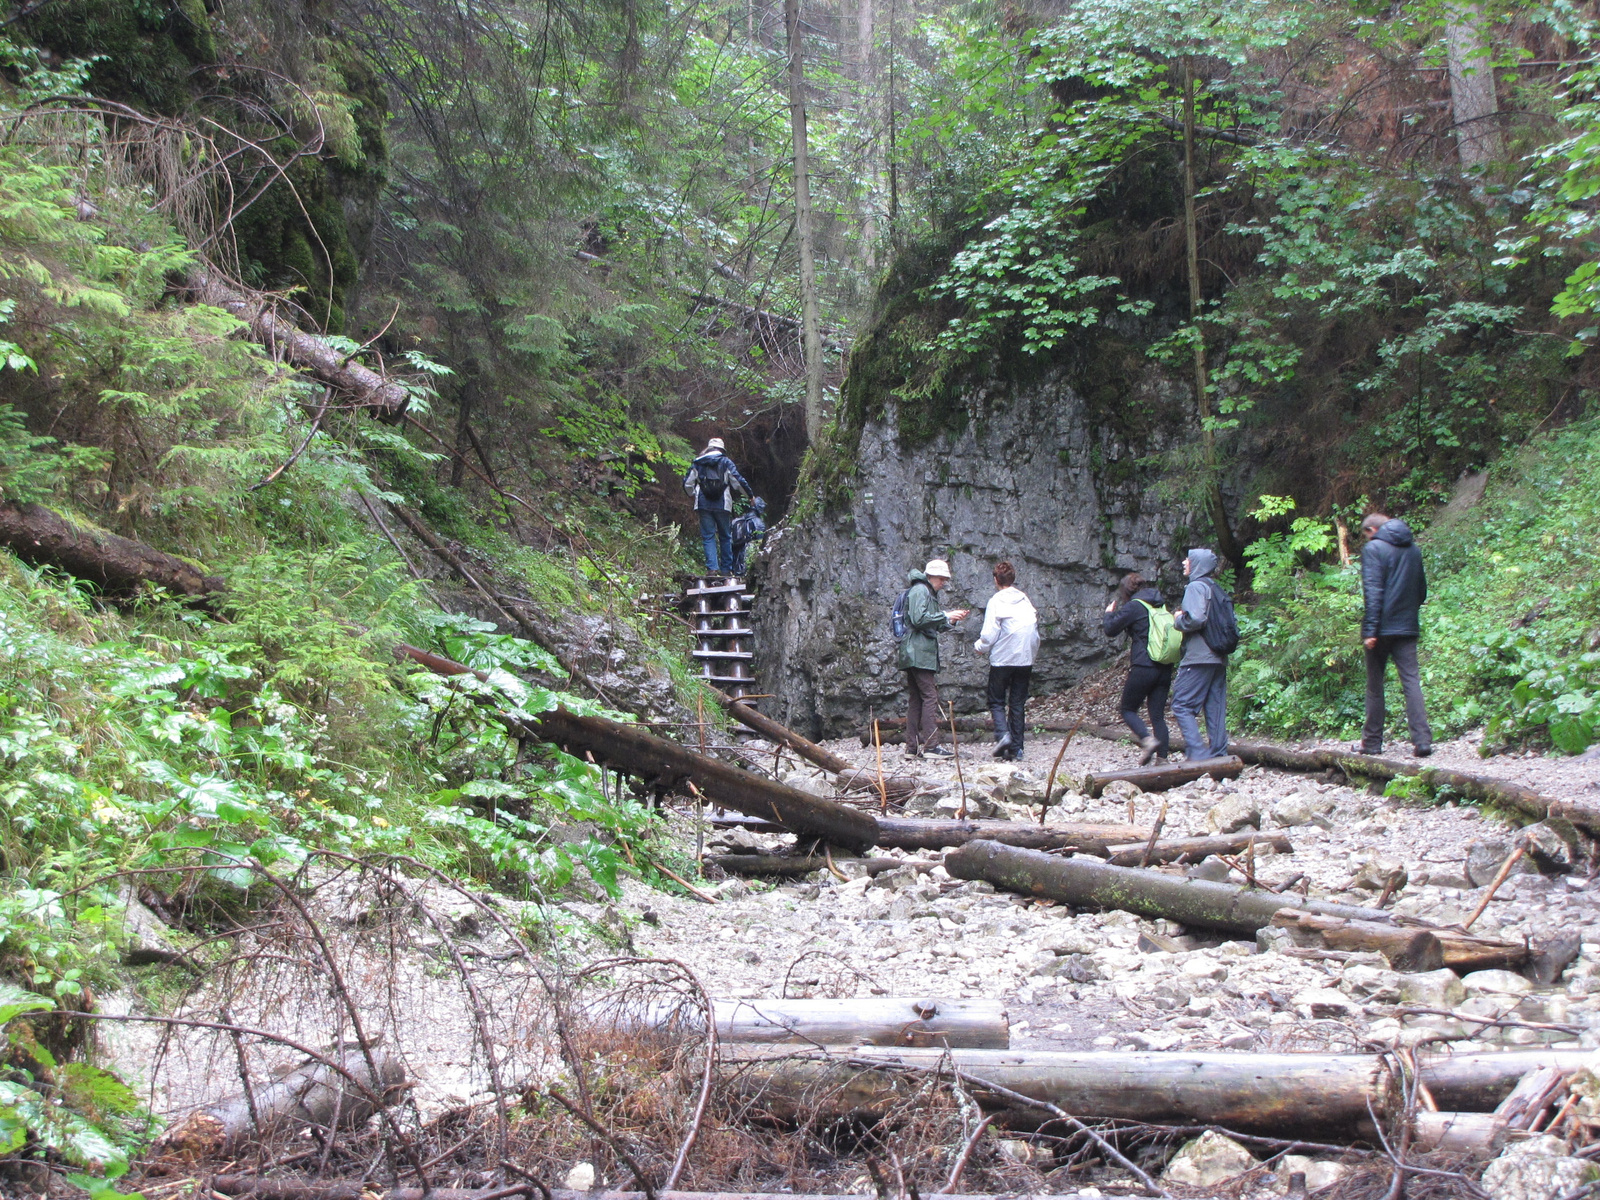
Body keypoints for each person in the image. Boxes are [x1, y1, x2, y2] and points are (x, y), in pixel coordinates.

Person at [1357, 512, 1433, 757]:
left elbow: (1373, 591)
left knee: (1375, 686)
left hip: (1380, 629)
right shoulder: (1414, 550)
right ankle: (1422, 742)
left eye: (1366, 534)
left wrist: (1370, 630)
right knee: (1411, 681)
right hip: (1407, 626)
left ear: (1372, 530)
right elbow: (1421, 591)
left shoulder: (1374, 549)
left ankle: (1371, 743)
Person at [896, 559, 970, 758]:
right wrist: (945, 614)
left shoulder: (924, 591)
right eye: (941, 578)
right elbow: (919, 620)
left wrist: (950, 620)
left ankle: (911, 748)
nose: (944, 582)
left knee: (916, 699)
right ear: (931, 576)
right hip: (918, 652)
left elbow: (932, 623)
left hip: (912, 652)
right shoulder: (921, 590)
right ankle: (931, 747)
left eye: (945, 579)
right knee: (929, 696)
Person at [1103, 572, 1173, 765]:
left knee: (1127, 709)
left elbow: (1111, 629)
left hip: (1144, 664)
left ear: (1126, 591)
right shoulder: (1160, 604)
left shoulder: (1135, 606)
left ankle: (1147, 740)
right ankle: (1163, 760)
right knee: (1157, 715)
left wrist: (1109, 614)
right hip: (1165, 666)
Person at [974, 561, 1040, 761]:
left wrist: (980, 647)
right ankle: (1017, 748)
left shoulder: (996, 601)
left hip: (1003, 659)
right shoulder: (1024, 599)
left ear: (996, 580)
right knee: (1018, 702)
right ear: (1013, 578)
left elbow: (989, 633)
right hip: (1025, 658)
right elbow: (1033, 631)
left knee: (996, 701)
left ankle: (1003, 736)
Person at [1171, 548, 1232, 762]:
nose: (1184, 562)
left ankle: (1197, 753)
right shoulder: (1215, 587)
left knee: (1181, 704)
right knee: (1214, 706)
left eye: (1188, 559)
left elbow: (1195, 619)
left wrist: (1178, 619)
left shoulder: (1196, 587)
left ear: (1197, 564)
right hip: (1218, 656)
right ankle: (1219, 755)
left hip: (1199, 656)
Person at [682, 438, 751, 575]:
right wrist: (750, 496)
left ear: (709, 448)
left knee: (708, 536)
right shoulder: (725, 462)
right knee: (725, 536)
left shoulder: (698, 462)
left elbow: (687, 484)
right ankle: (726, 570)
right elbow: (738, 481)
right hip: (722, 504)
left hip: (703, 503)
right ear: (721, 450)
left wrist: (692, 494)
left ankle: (712, 569)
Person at [730, 496, 768, 576]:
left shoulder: (737, 521)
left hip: (734, 562)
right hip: (748, 562)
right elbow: (759, 543)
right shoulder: (758, 523)